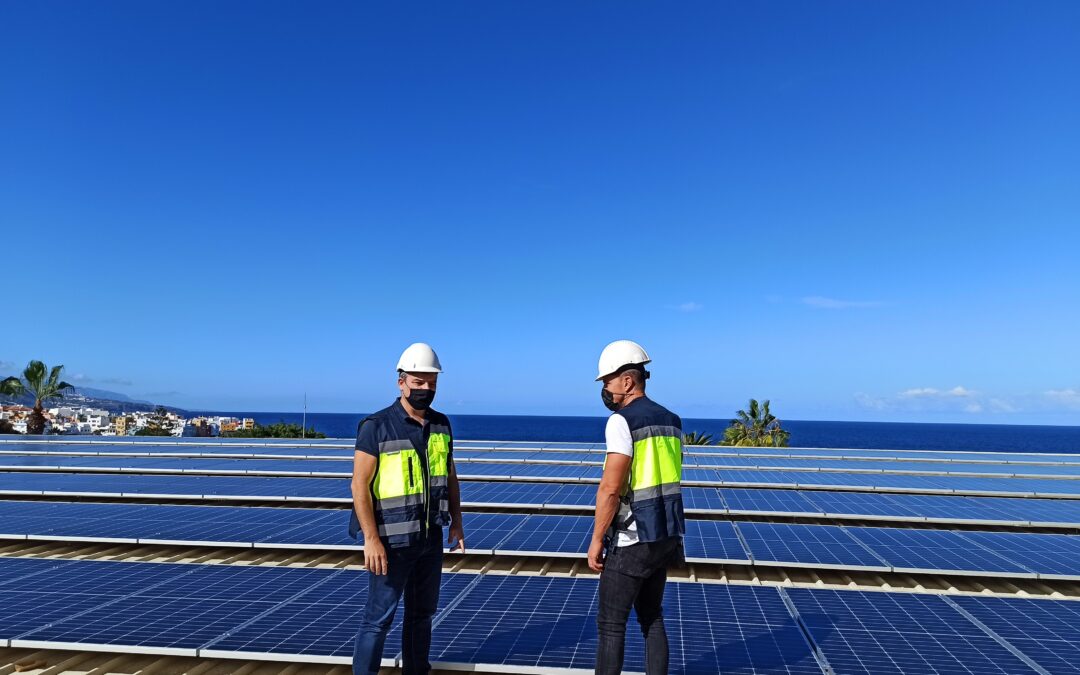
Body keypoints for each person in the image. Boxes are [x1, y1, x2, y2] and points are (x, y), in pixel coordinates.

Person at [349, 342, 466, 675]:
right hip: (391, 542)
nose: (425, 389)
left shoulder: (441, 424)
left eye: (431, 383)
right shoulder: (376, 426)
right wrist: (371, 539)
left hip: (430, 537)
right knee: (378, 620)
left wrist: (457, 522)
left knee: (421, 615)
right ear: (401, 382)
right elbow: (359, 485)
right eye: (418, 382)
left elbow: (451, 476)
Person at [587, 340, 685, 675]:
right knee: (652, 617)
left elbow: (611, 488)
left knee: (611, 625)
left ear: (627, 381)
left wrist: (596, 539)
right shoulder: (671, 420)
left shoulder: (621, 421)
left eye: (607, 381)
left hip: (632, 537)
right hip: (665, 533)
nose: (605, 389)